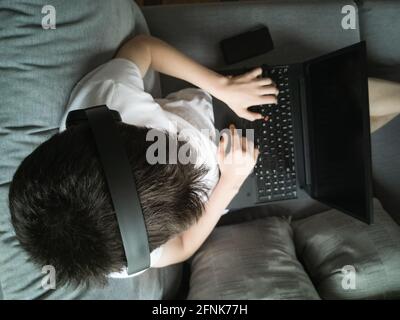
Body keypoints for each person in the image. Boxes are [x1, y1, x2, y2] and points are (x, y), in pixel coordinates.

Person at [8, 34, 278, 285]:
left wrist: (223, 86)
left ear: (118, 126)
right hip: (225, 186)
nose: (179, 154)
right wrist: (231, 182)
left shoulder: (107, 98)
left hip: (213, 111)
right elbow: (182, 247)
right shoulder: (119, 253)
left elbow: (144, 48)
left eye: (163, 145)